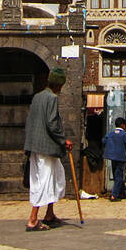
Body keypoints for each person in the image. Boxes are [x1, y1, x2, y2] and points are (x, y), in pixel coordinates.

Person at [24, 67, 73, 231]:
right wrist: (63, 140)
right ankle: (32, 219)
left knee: (55, 177)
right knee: (43, 181)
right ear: (59, 85)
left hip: (35, 145)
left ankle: (50, 214)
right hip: (46, 146)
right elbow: (52, 123)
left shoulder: (37, 97)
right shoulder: (52, 98)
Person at [102, 116, 126, 201]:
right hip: (120, 157)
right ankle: (114, 195)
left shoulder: (110, 133)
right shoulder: (124, 134)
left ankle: (122, 192)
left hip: (112, 157)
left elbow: (103, 141)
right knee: (119, 176)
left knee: (116, 174)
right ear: (123, 125)